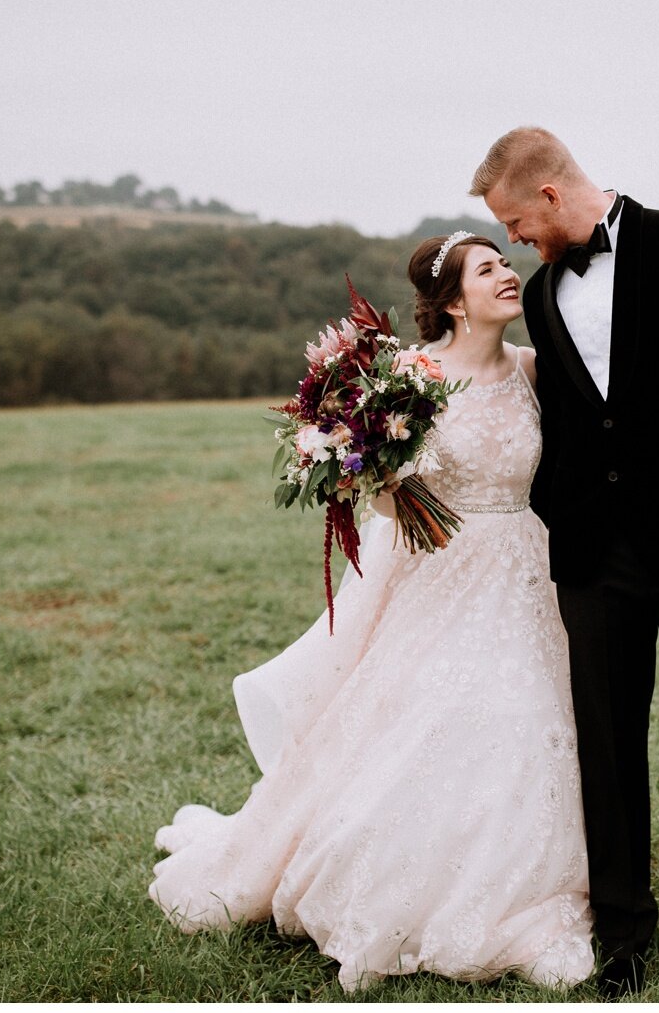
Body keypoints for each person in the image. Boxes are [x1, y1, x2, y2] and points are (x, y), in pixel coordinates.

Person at [148, 233, 594, 993]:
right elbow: (371, 487)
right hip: (441, 569)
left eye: (505, 263)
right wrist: (366, 468)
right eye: (488, 269)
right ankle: (405, 882)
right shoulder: (409, 378)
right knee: (438, 715)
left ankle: (530, 886)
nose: (507, 275)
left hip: (526, 563)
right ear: (452, 300)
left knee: (531, 717)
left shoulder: (532, 370)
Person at [475, 128, 659, 996]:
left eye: (516, 223)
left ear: (549, 195)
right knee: (606, 745)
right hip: (592, 555)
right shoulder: (539, 296)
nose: (517, 243)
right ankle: (624, 933)